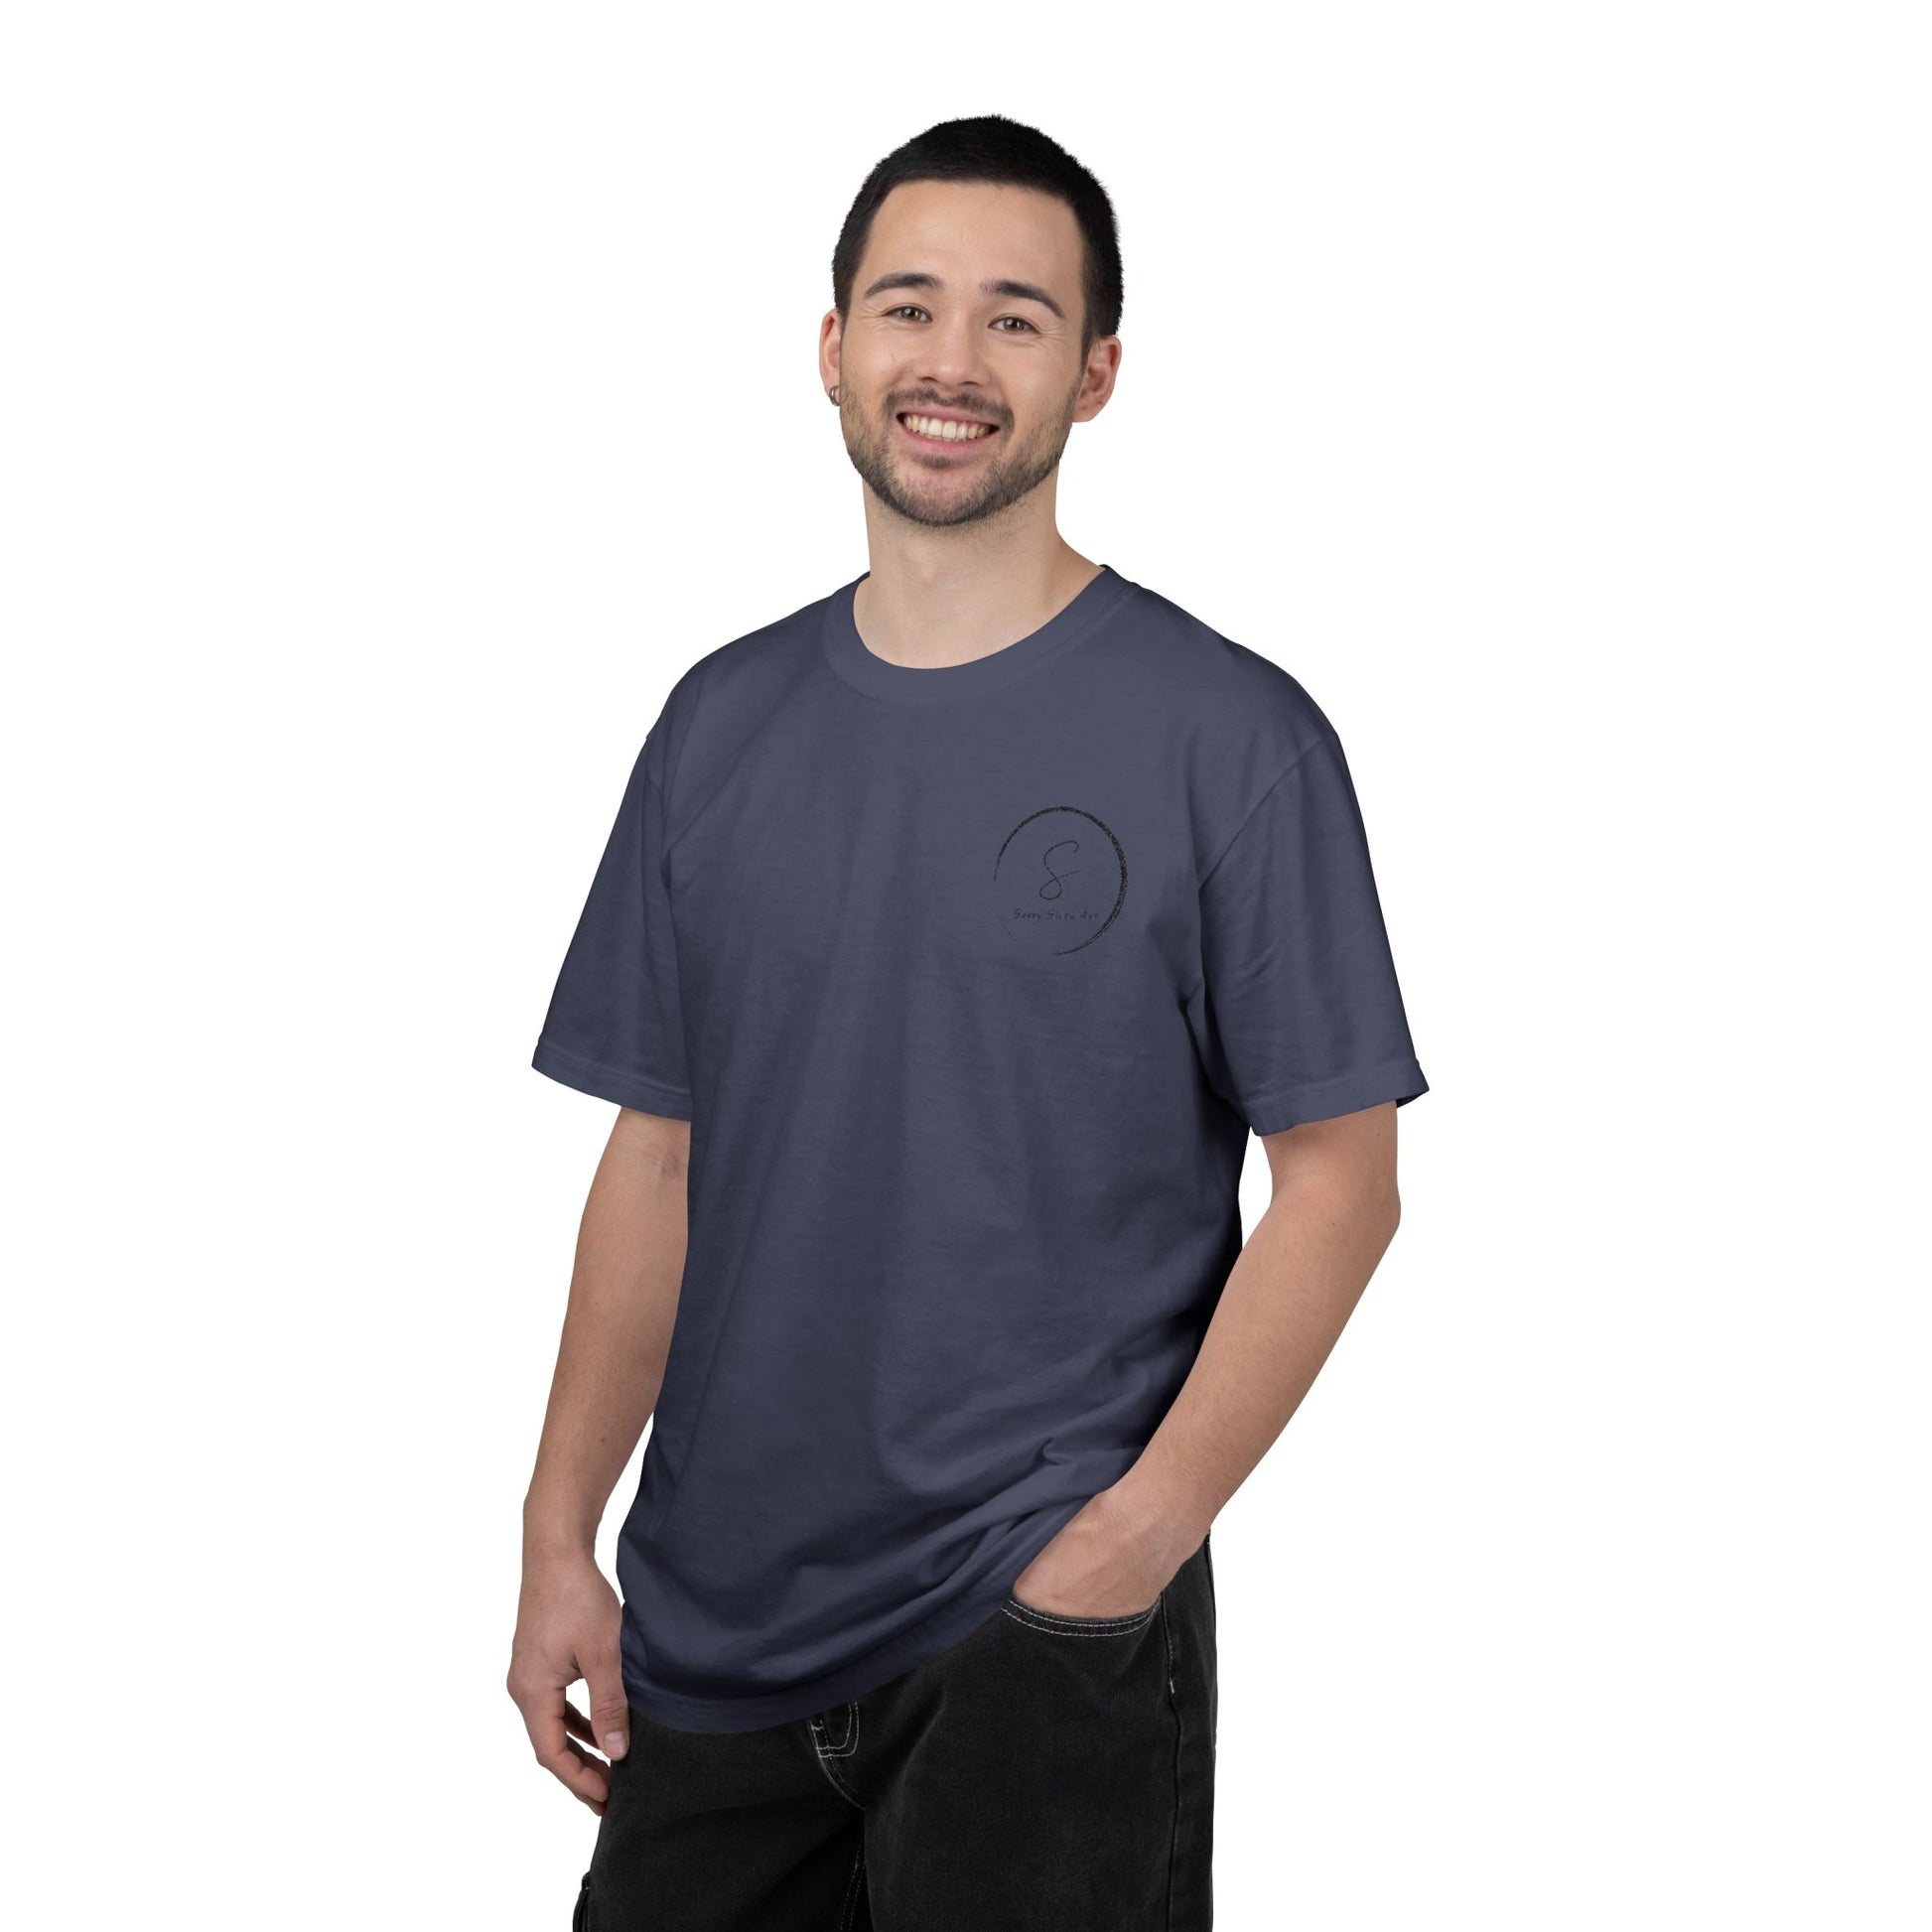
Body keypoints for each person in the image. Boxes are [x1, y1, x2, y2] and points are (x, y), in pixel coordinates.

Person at [508, 112, 1429, 1930]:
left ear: (1095, 375)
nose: (950, 360)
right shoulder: (718, 724)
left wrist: (1130, 1543)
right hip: (711, 1626)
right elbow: (659, 1153)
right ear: (830, 346)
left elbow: (1342, 1179)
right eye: (907, 306)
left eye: (1016, 317)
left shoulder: (1231, 736)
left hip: (1034, 1634)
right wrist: (556, 1535)